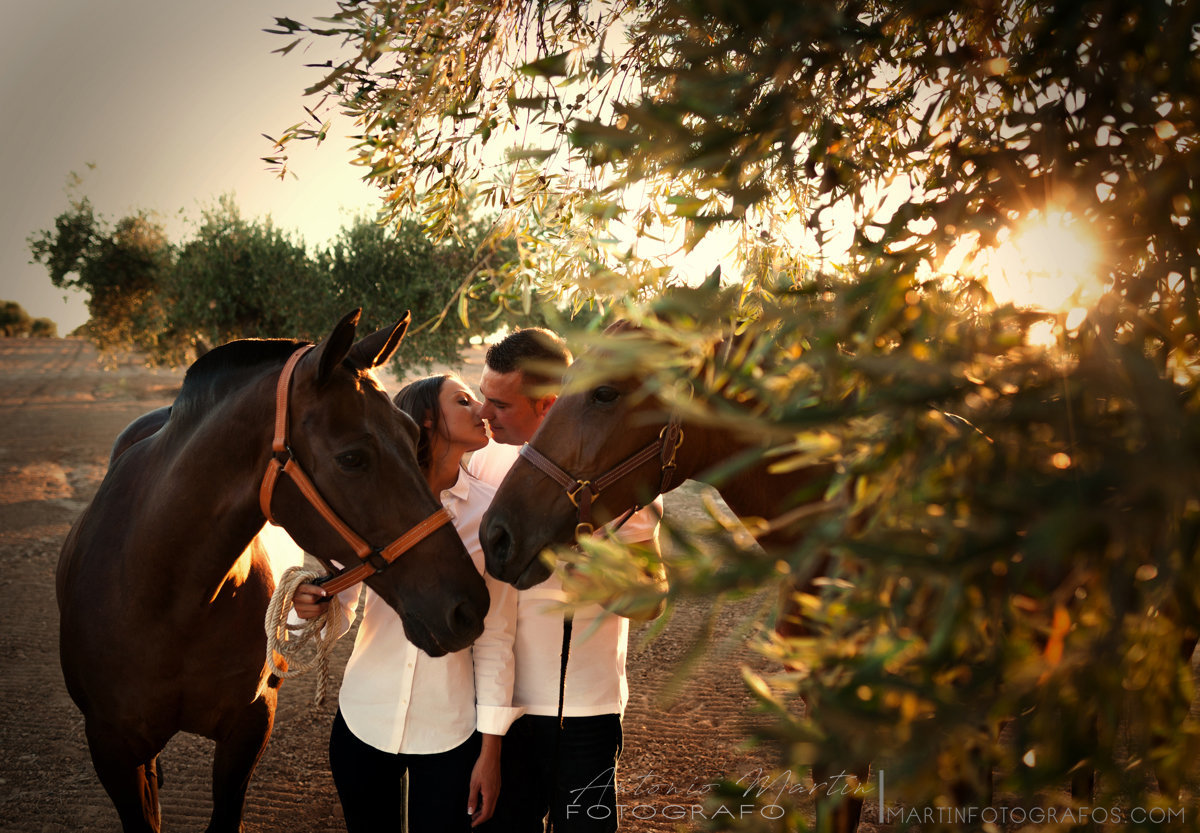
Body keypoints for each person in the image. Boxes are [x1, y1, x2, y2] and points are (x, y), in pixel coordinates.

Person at [291, 373, 521, 833]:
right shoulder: (370, 506)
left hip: (451, 733)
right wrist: (309, 605)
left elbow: (496, 636)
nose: (481, 409)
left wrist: (490, 752)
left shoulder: (492, 513)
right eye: (464, 400)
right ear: (428, 419)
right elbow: (343, 604)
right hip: (363, 720)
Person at [470, 327, 667, 833]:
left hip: (587, 713)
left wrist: (579, 558)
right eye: (481, 397)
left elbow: (649, 599)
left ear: (548, 406)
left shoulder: (617, 468)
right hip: (498, 714)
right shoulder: (477, 462)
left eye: (500, 404)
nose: (483, 414)